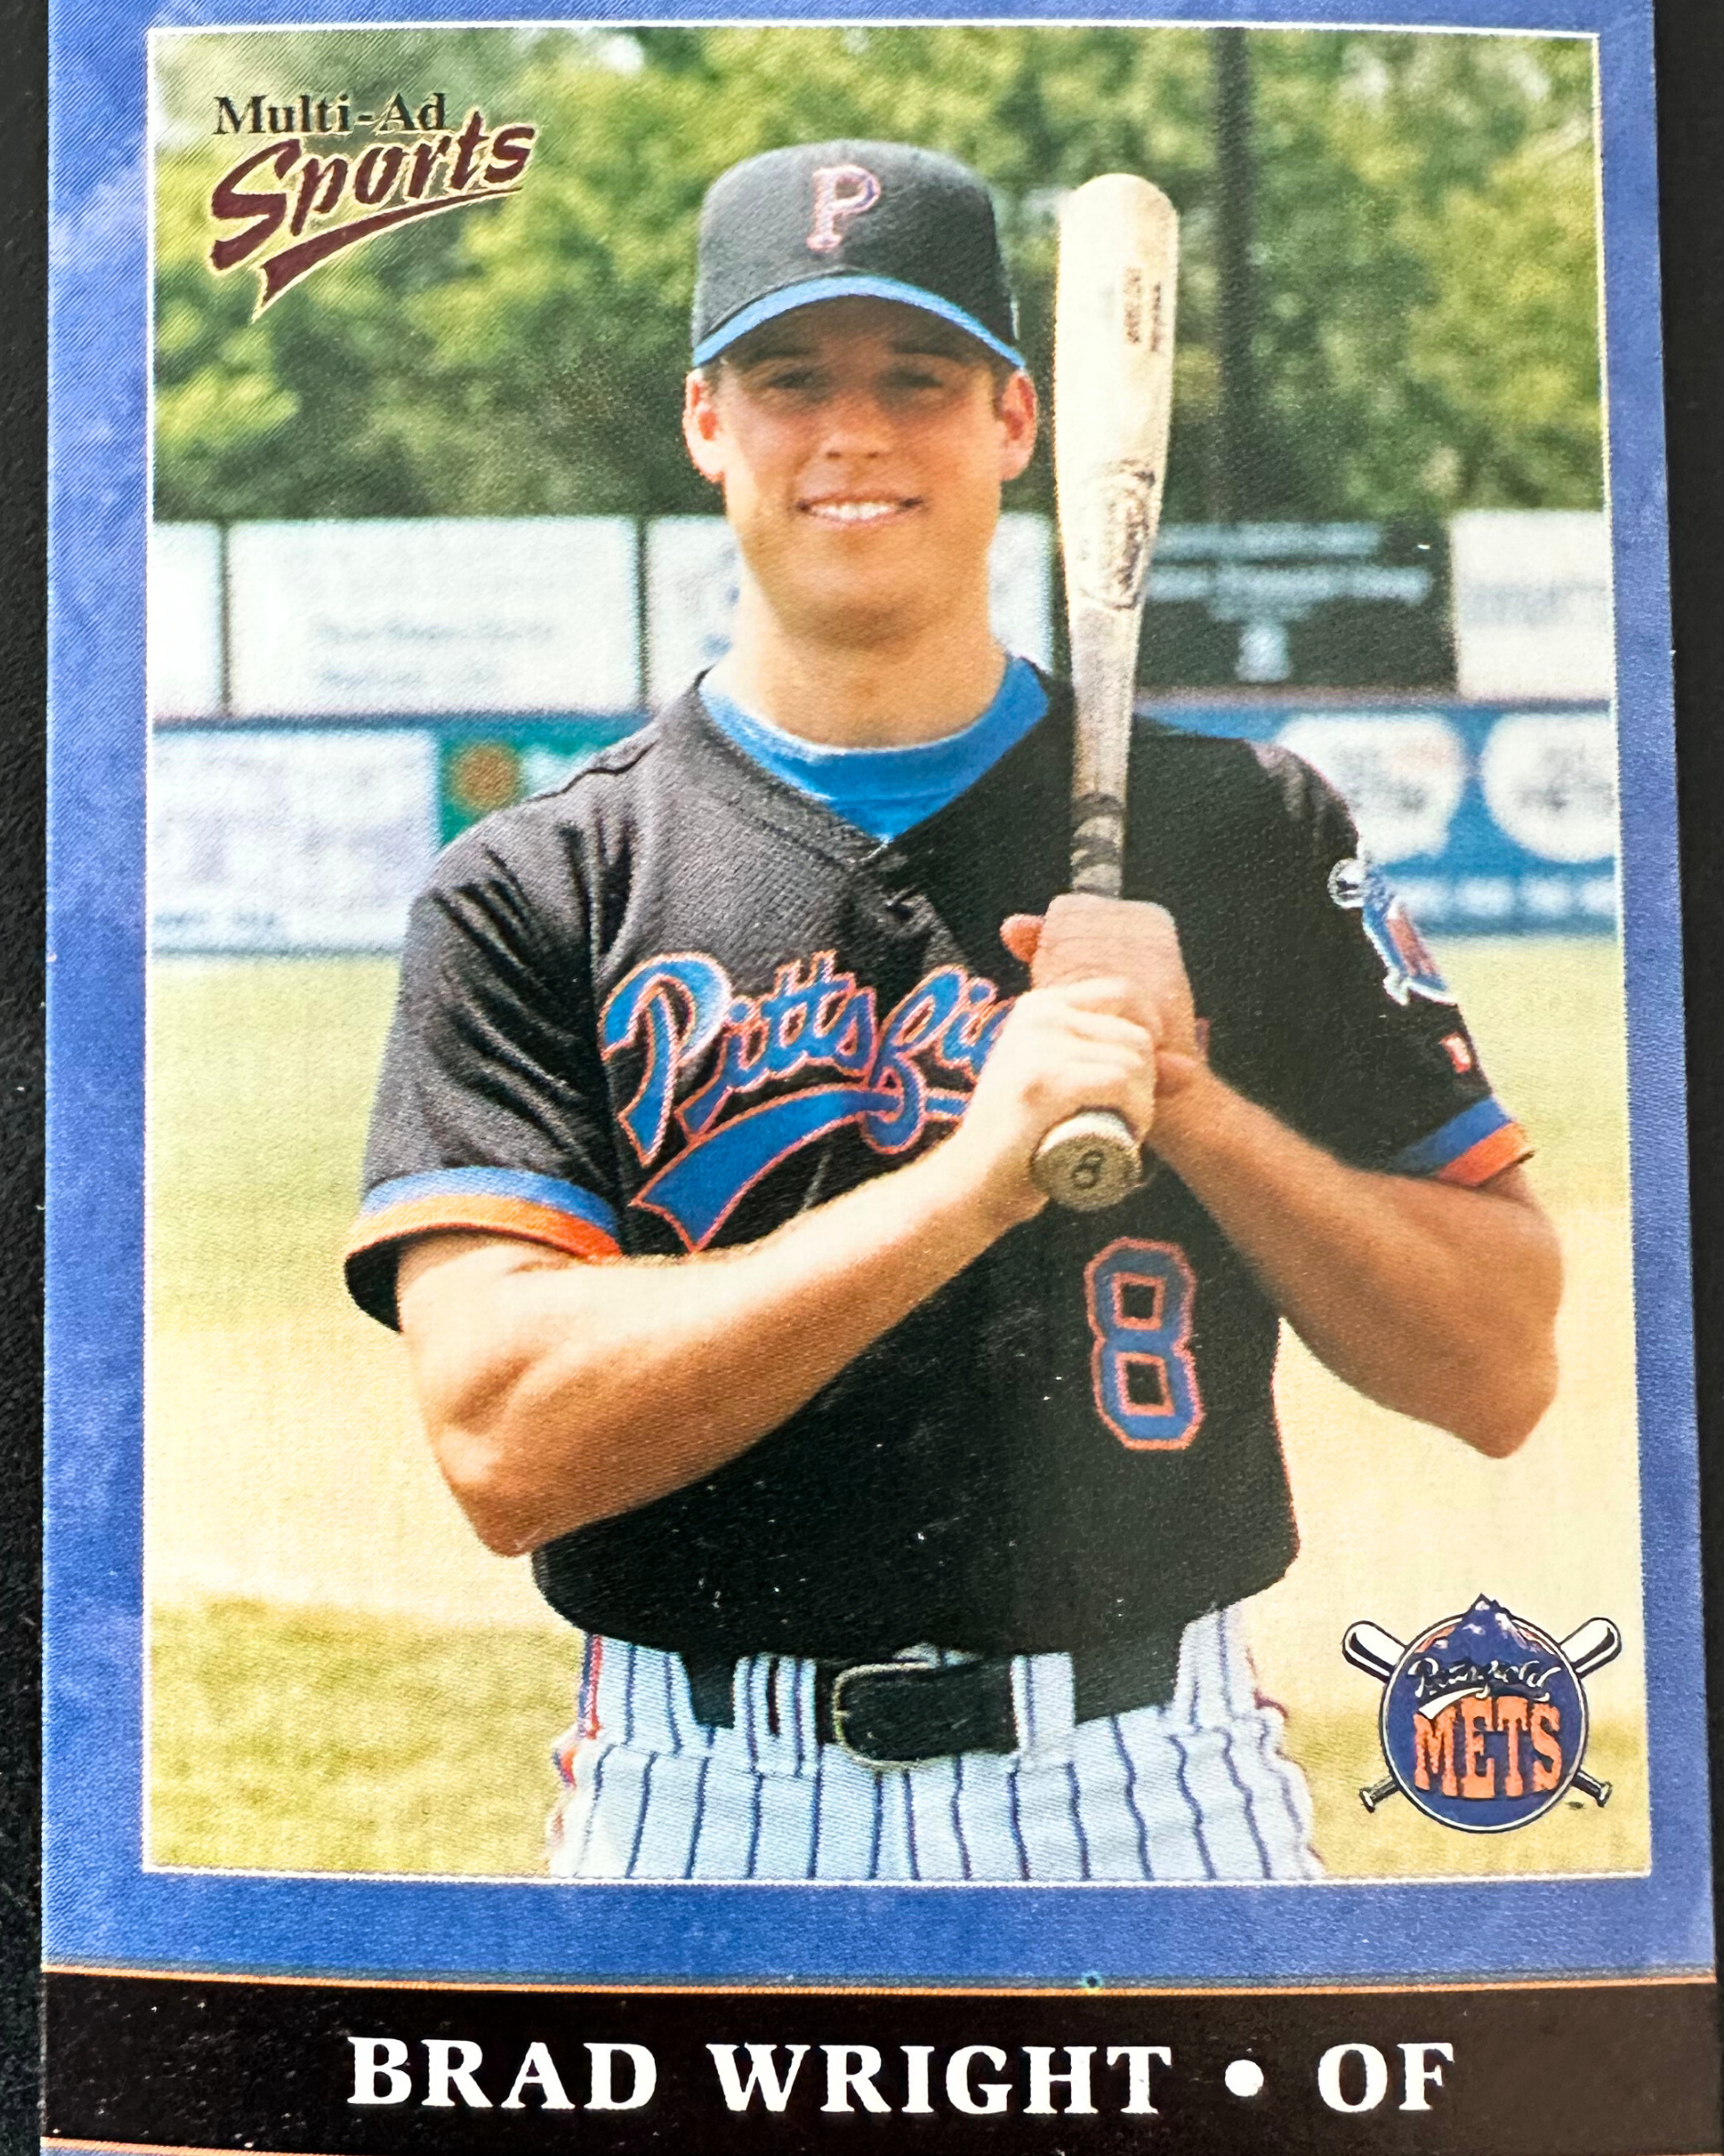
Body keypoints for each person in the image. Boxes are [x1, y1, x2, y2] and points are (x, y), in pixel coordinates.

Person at [344, 139, 1562, 1883]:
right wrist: (971, 1181)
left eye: (913, 380)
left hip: (1149, 1783)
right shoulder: (543, 881)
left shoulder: (1242, 831)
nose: (850, 433)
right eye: (788, 380)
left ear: (1013, 420)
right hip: (703, 1799)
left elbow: (1499, 1363)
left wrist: (1199, 1106)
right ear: (708, 423)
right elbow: (499, 1440)